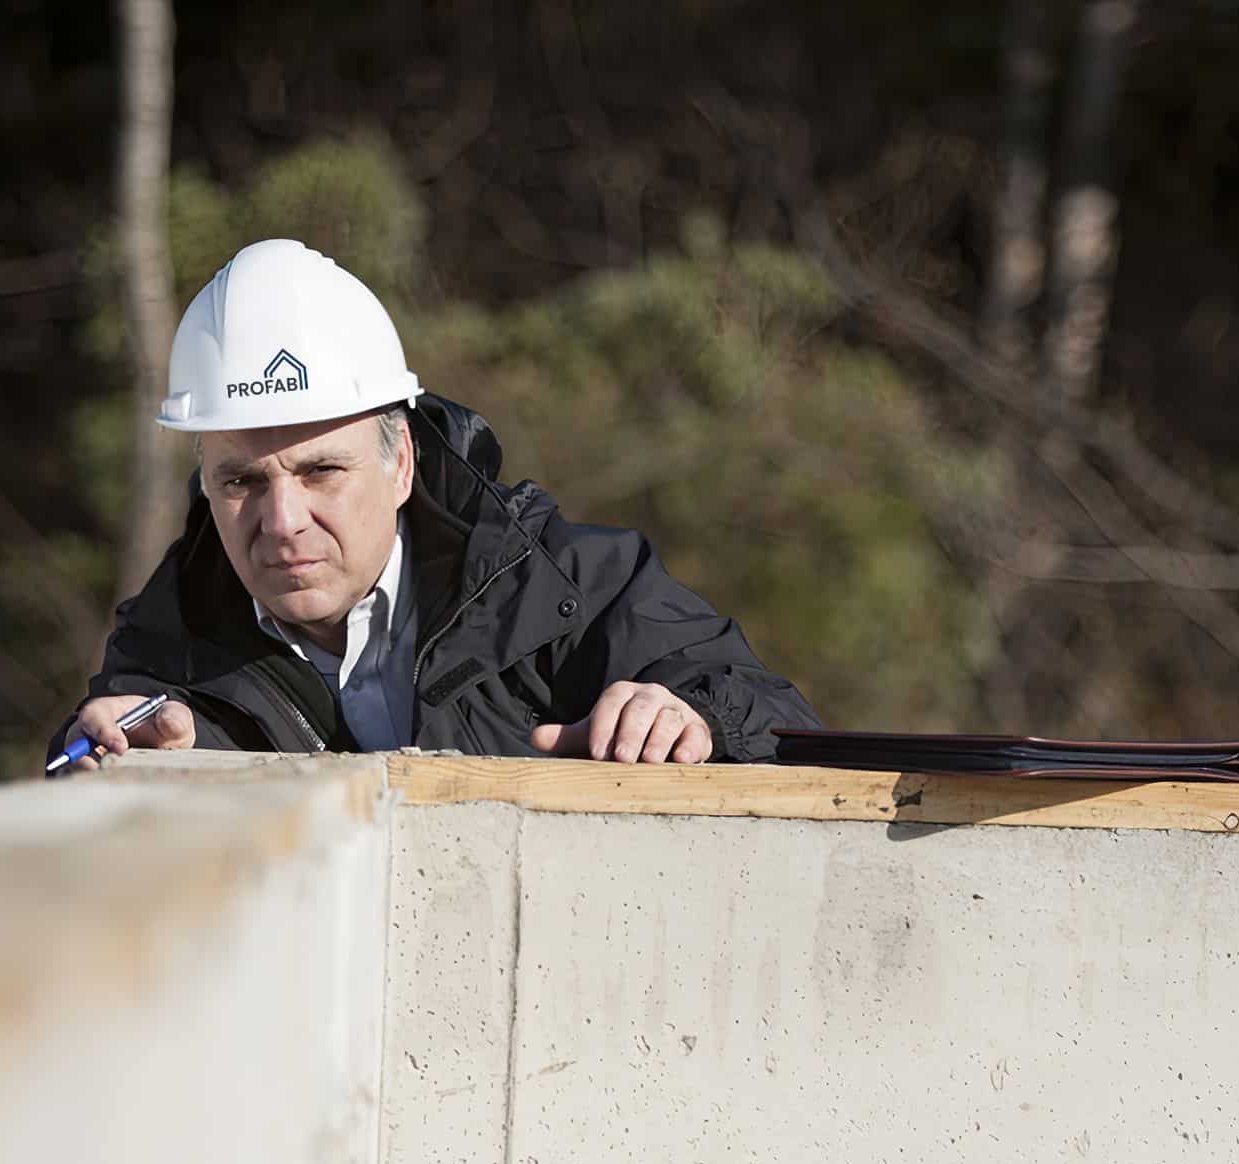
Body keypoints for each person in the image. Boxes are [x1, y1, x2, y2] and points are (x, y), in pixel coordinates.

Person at [49, 238, 818, 771]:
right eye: (242, 481)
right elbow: (77, 833)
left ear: (402, 462)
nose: (280, 521)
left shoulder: (569, 587)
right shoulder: (163, 649)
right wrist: (120, 768)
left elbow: (783, 725)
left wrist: (697, 721)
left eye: (321, 472)